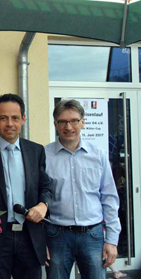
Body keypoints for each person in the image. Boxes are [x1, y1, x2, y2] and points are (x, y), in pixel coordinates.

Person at [0, 94, 52, 279]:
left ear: (23, 119)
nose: (9, 123)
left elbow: (46, 187)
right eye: (3, 118)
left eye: (15, 118)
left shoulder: (36, 151)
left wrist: (43, 205)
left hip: (30, 238)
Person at [44, 100, 121, 279]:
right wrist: (41, 241)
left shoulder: (98, 155)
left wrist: (111, 240)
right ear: (55, 124)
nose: (68, 126)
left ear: (83, 122)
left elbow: (109, 198)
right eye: (62, 121)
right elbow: (39, 198)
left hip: (92, 236)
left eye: (74, 121)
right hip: (57, 236)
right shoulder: (44, 156)